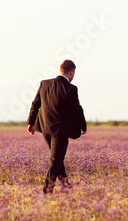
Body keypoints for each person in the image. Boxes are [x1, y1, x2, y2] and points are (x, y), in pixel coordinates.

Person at [27, 60, 87, 194]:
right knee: (55, 160)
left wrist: (31, 122)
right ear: (71, 72)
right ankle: (47, 191)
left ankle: (65, 185)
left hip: (45, 128)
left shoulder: (44, 84)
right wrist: (82, 126)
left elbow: (35, 104)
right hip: (60, 131)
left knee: (57, 158)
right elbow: (76, 110)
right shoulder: (71, 88)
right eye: (73, 74)